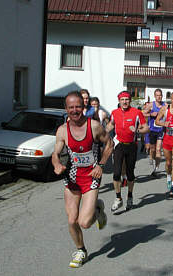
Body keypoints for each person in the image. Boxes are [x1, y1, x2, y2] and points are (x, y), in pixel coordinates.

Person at [52, 91, 113, 268]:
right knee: (72, 220)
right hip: (72, 178)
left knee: (84, 222)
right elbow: (55, 153)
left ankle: (97, 209)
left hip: (91, 177)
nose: (75, 110)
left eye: (78, 106)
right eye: (71, 107)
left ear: (83, 107)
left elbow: (109, 144)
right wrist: (57, 164)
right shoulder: (62, 130)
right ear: (66, 109)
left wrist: (100, 164)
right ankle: (81, 250)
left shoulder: (94, 126)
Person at [106, 91, 149, 211]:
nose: (124, 102)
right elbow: (110, 125)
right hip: (119, 145)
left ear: (130, 101)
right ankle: (118, 198)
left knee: (130, 174)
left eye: (127, 99)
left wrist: (137, 131)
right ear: (119, 101)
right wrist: (102, 132)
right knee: (116, 173)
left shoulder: (136, 113)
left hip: (132, 146)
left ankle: (130, 196)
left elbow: (146, 128)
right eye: (122, 100)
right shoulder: (114, 113)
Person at [143, 89, 166, 176]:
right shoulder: (150, 105)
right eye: (157, 95)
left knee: (158, 149)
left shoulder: (165, 105)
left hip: (160, 130)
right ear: (155, 96)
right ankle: (151, 157)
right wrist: (150, 114)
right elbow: (142, 113)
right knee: (152, 149)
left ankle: (156, 169)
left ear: (162, 96)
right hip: (152, 130)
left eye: (160, 95)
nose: (159, 97)